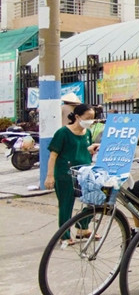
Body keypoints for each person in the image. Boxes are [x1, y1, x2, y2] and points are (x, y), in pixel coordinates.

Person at [43, 103, 96, 243]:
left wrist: (92, 149)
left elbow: (83, 149)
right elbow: (53, 155)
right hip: (65, 173)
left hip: (84, 173)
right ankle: (64, 235)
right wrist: (49, 176)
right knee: (66, 204)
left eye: (93, 118)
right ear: (77, 117)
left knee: (95, 199)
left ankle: (83, 227)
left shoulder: (88, 133)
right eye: (88, 117)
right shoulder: (63, 133)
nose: (90, 121)